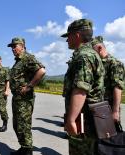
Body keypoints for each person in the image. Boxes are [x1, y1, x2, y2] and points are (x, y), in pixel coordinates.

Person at [61, 19, 105, 155]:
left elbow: (81, 89)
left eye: (68, 36)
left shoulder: (83, 56)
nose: (67, 40)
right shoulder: (91, 54)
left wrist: (71, 119)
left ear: (77, 35)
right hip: (91, 116)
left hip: (84, 118)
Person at [8, 37, 46, 155]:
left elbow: (41, 71)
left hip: (25, 100)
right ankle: (24, 147)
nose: (13, 49)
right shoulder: (18, 61)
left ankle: (28, 150)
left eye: (15, 46)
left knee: (24, 125)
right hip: (17, 99)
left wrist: (29, 86)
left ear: (23, 46)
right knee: (17, 125)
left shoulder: (27, 57)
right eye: (12, 47)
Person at [91, 36, 125, 123]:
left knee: (111, 134)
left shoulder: (115, 63)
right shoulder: (97, 63)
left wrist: (115, 111)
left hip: (108, 106)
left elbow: (117, 88)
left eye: (92, 51)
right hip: (97, 105)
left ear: (99, 48)